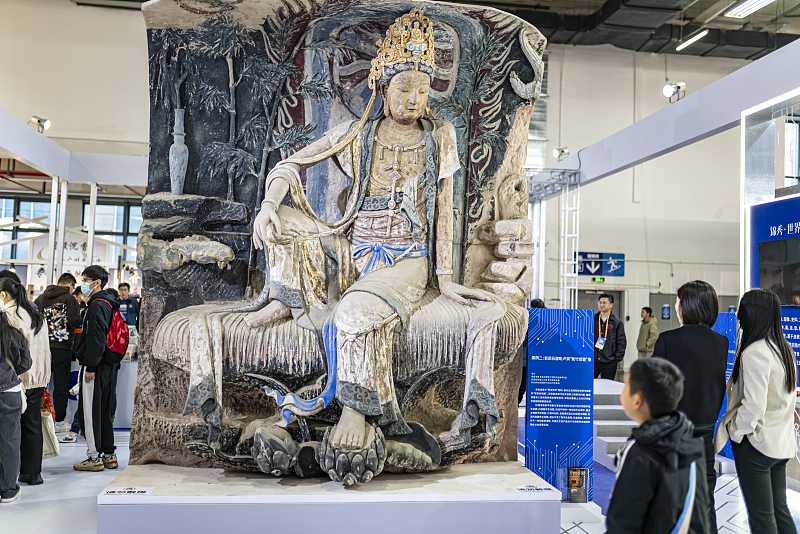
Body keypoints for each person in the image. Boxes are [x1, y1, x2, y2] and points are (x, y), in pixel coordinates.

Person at [715, 288, 798, 534]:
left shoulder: (754, 352)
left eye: (742, 308)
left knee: (761, 518)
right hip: (780, 445)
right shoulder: (784, 349)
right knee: (779, 511)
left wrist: (738, 432)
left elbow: (753, 406)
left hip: (757, 446)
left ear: (752, 314)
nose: (738, 314)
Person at [653, 280, 729, 532]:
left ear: (687, 305)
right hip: (704, 437)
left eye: (678, 300)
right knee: (705, 504)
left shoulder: (667, 341)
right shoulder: (721, 343)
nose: (676, 305)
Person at [606, 358, 710, 534]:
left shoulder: (640, 451)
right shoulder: (691, 441)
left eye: (626, 387)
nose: (622, 392)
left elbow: (623, 520)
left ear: (637, 401)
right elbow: (702, 510)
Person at [0, 278, 50, 486]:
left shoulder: (9, 316)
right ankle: (32, 472)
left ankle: (11, 476)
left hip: (18, 379)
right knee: (32, 423)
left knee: (11, 430)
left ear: (3, 295)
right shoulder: (36, 314)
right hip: (39, 377)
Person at [73, 265, 121, 472]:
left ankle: (94, 457)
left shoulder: (96, 305)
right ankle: (109, 455)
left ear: (97, 282)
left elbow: (96, 338)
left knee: (90, 412)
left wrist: (90, 366)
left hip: (96, 367)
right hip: (108, 365)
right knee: (103, 410)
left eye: (85, 279)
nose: (82, 283)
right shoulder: (109, 304)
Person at [35, 273, 82, 434]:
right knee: (61, 386)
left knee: (40, 384)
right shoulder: (70, 299)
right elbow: (76, 321)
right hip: (62, 348)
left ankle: (37, 418)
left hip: (42, 348)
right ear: (70, 285)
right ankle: (59, 421)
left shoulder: (41, 298)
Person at [0, 301, 32, 503]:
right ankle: (8, 489)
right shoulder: (14, 334)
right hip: (10, 392)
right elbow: (25, 363)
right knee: (10, 442)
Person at [519, 298, 546, 404]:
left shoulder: (528, 319)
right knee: (524, 388)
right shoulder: (529, 320)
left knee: (524, 388)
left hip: (530, 361)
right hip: (530, 361)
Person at [593, 293, 626, 380]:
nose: (601, 305)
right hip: (593, 361)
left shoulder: (616, 322)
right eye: (600, 302)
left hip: (609, 361)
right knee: (590, 386)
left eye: (604, 303)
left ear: (611, 305)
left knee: (607, 387)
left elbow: (621, 341)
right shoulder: (592, 319)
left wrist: (617, 358)